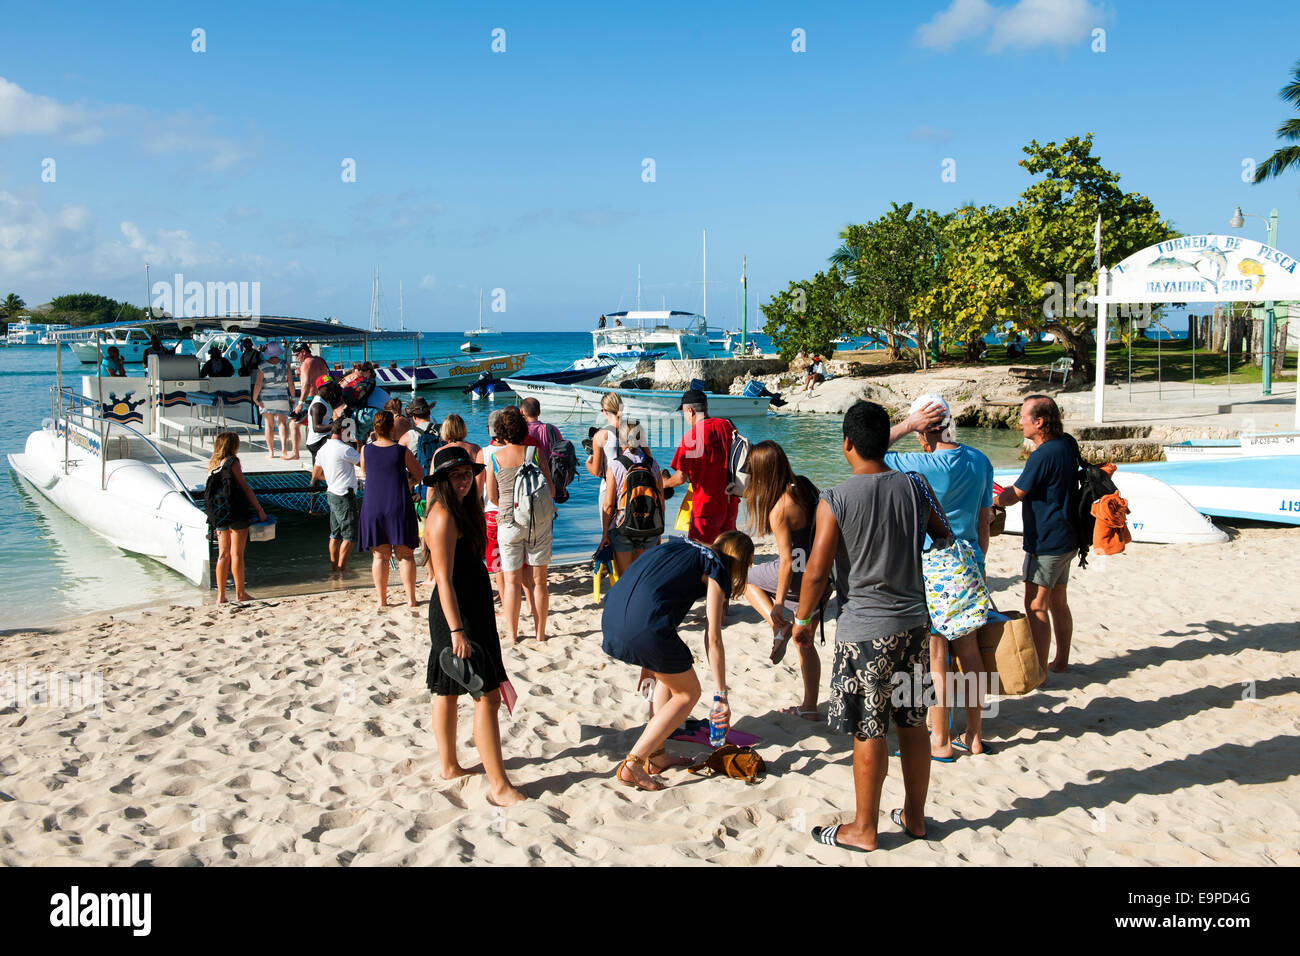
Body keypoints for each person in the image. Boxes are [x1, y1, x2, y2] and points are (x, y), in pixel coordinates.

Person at [793, 401, 950, 852]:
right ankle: (915, 817)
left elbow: (818, 573)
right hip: (915, 626)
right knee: (914, 723)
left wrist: (803, 620)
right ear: (886, 440)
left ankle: (864, 829)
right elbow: (942, 534)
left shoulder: (835, 498)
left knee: (869, 728)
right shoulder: (915, 485)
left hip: (865, 631)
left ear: (846, 444)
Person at [885, 394, 995, 758]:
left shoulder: (918, 462)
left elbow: (865, 450)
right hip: (969, 563)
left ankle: (941, 740)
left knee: (936, 655)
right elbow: (983, 525)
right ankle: (975, 736)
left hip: (933, 567)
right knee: (970, 652)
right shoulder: (980, 460)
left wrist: (905, 425)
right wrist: (978, 565)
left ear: (922, 429)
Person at [601, 532, 754, 791]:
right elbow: (713, 637)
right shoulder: (715, 567)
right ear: (739, 562)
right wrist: (721, 694)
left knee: (669, 673)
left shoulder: (680, 543)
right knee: (689, 692)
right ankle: (633, 764)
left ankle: (657, 755)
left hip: (612, 617)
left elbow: (647, 589)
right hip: (643, 629)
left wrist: (648, 662)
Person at [422, 445, 525, 807]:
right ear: (443, 481)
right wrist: (456, 631)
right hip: (456, 614)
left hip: (470, 608)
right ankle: (498, 786)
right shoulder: (443, 517)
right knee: (487, 695)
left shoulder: (464, 508)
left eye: (468, 473)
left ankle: (450, 766)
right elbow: (442, 580)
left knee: (448, 688)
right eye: (457, 475)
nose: (465, 480)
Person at [741, 441, 827, 721]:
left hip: (797, 576)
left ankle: (778, 625)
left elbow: (787, 562)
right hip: (822, 576)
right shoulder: (804, 486)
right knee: (806, 644)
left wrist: (777, 604)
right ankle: (810, 707)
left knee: (744, 578)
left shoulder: (779, 508)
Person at [995, 395, 1078, 675]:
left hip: (1046, 542)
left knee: (1036, 605)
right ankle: (1061, 661)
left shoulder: (1041, 455)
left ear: (1039, 422)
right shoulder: (1067, 444)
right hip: (1069, 537)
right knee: (1058, 601)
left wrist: (994, 500)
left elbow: (1014, 496)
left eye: (1023, 417)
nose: (1019, 422)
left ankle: (1040, 671)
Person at [485, 406, 555, 643]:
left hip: (508, 521)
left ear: (501, 433)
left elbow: (492, 497)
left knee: (512, 581)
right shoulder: (535, 453)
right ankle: (540, 633)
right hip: (538, 521)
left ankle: (513, 634)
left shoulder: (496, 458)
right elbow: (551, 489)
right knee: (539, 581)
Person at [358, 410, 423, 611]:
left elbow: (364, 472)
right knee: (405, 555)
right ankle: (411, 599)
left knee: (379, 556)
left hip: (374, 504)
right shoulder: (401, 451)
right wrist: (408, 483)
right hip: (398, 503)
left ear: (375, 429)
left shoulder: (365, 450)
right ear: (391, 428)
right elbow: (419, 474)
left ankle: (381, 599)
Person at [661, 389, 738, 544]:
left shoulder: (692, 436)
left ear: (690, 410)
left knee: (701, 553)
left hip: (706, 507)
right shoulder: (726, 426)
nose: (684, 417)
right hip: (730, 502)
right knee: (728, 553)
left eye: (683, 412)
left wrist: (663, 483)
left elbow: (680, 478)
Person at [203, 432, 266, 604]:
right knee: (236, 553)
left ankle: (220, 596)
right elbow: (245, 487)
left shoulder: (212, 465)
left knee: (223, 554)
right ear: (233, 445)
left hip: (219, 514)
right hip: (236, 511)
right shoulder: (232, 462)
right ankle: (240, 594)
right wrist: (259, 509)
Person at [600, 418, 664, 575]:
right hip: (649, 526)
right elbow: (661, 500)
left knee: (625, 578)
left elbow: (608, 505)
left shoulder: (615, 465)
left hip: (623, 528)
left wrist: (604, 535)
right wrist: (659, 530)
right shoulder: (653, 464)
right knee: (644, 576)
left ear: (621, 440)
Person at [312, 420, 362, 574]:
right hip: (344, 495)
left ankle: (334, 567)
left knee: (335, 533)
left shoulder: (323, 449)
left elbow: (316, 475)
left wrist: (333, 477)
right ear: (343, 431)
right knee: (350, 534)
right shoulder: (345, 449)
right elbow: (365, 463)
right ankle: (341, 568)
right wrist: (359, 444)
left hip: (332, 492)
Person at [252, 343, 295, 460]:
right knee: (281, 424)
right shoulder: (286, 365)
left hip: (266, 398)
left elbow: (258, 384)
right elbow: (290, 383)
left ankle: (271, 451)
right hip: (281, 396)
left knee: (268, 425)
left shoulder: (262, 366)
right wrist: (292, 397)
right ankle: (284, 450)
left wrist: (254, 398)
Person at [303, 380, 342, 465]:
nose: (331, 391)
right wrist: (334, 425)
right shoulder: (318, 405)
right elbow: (316, 427)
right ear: (319, 389)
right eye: (328, 389)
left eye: (332, 388)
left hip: (321, 439)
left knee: (318, 472)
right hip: (318, 441)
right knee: (345, 442)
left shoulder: (325, 400)